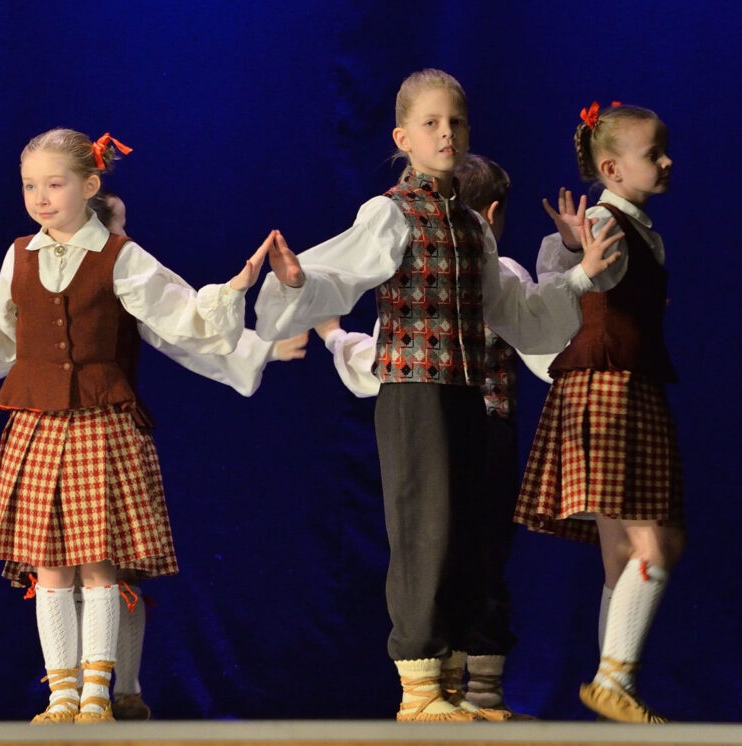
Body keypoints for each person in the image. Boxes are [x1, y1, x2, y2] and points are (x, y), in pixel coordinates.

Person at [254, 69, 622, 721]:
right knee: (423, 528)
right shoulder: (391, 212)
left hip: (466, 391)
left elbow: (519, 316)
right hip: (413, 390)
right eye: (431, 123)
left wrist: (581, 277)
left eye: (455, 122)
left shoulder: (474, 228)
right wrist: (297, 283)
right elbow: (339, 275)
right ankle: (419, 684)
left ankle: (450, 681)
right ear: (404, 138)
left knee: (462, 536)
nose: (446, 133)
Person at [0, 128, 271, 723]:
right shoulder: (19, 254)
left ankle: (99, 691)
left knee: (100, 559)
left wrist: (231, 290)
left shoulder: (119, 256)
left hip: (101, 422)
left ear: (89, 185)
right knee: (49, 564)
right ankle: (61, 693)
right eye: (30, 185)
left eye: (54, 184)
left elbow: (180, 317)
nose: (40, 197)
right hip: (36, 422)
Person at [317, 154, 558, 719]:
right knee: (473, 552)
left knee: (444, 545)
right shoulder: (503, 269)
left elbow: (379, 360)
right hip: (486, 427)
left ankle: (461, 687)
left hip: (454, 422)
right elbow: (546, 350)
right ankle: (468, 687)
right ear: (491, 214)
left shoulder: (438, 267)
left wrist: (334, 337)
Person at [515, 102, 680, 724]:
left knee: (623, 552)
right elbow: (582, 286)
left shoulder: (628, 223)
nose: (667, 161)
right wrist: (574, 248)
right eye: (653, 153)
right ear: (612, 169)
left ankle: (615, 685)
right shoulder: (607, 221)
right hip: (607, 389)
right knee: (653, 541)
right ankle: (614, 680)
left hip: (626, 384)